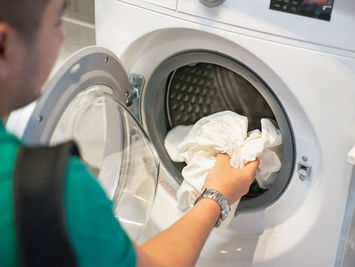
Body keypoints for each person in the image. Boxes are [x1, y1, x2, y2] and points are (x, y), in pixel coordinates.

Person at [0, 0, 259, 266]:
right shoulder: (52, 189)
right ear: (4, 44)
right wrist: (217, 195)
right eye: (56, 23)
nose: (63, 35)